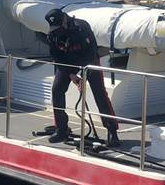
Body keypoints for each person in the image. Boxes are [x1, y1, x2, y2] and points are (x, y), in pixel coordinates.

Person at [44, 8, 120, 146]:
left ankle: (112, 130)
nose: (58, 29)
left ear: (65, 20)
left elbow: (90, 52)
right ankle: (61, 129)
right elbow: (57, 56)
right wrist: (71, 73)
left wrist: (81, 73)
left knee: (100, 93)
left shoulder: (82, 27)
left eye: (59, 26)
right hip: (67, 64)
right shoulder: (52, 35)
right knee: (57, 90)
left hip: (89, 61)